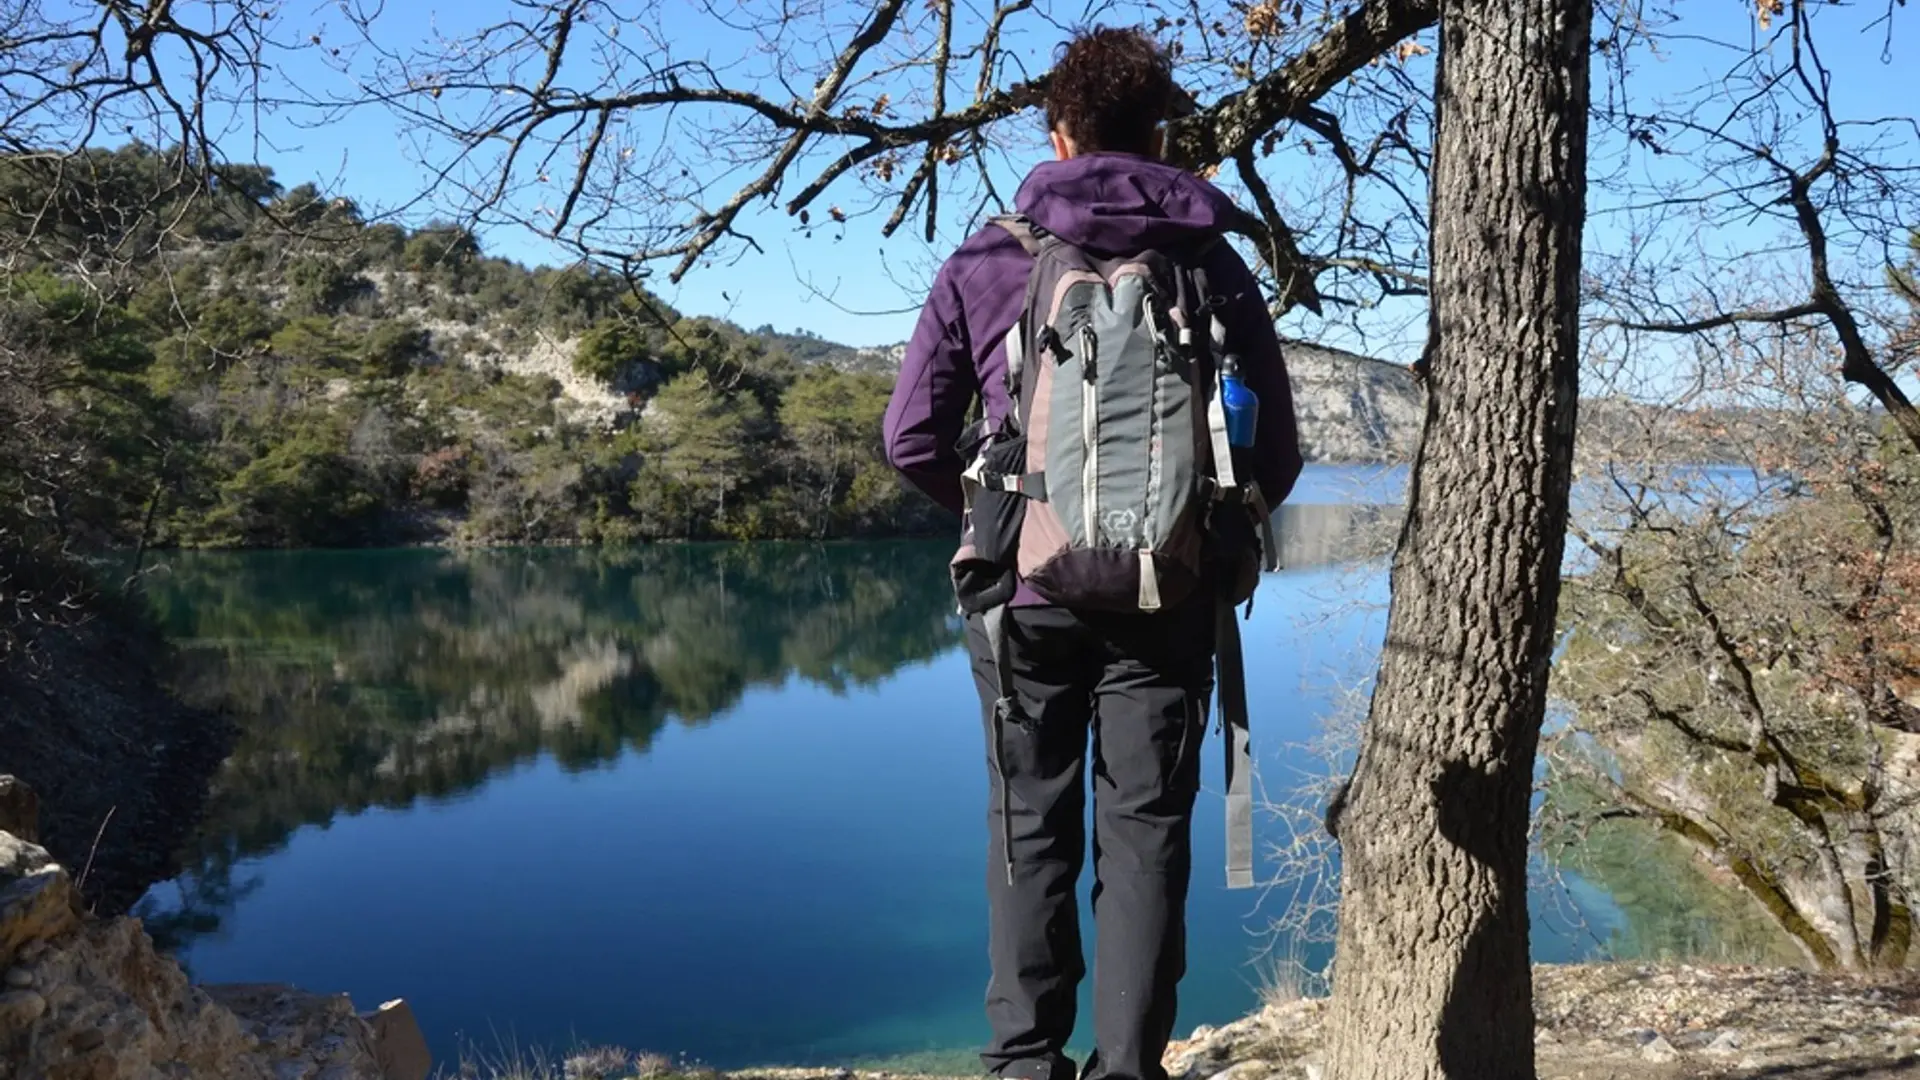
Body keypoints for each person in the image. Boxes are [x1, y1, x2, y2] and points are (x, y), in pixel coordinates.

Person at [881, 25, 1303, 1080]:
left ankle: (1024, 1063)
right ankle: (1128, 1069)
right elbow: (1279, 454)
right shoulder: (1211, 263)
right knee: (1147, 835)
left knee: (1030, 827)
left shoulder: (991, 259)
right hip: (1168, 600)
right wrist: (1199, 528)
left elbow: (909, 440)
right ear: (1162, 134)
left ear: (1058, 133)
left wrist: (1004, 520)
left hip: (1027, 601)